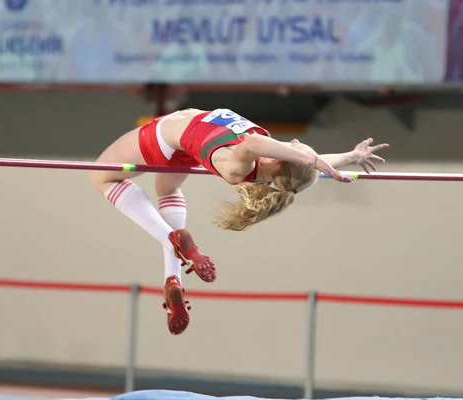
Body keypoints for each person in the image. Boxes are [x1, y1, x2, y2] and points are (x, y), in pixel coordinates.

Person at [89, 108, 389, 335]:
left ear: (276, 161)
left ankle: (169, 237)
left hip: (165, 137)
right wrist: (349, 155)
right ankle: (173, 279)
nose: (294, 140)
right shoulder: (279, 167)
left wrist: (311, 160)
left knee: (101, 176)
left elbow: (257, 143)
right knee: (168, 189)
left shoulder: (241, 165)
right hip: (185, 149)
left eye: (295, 146)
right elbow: (299, 168)